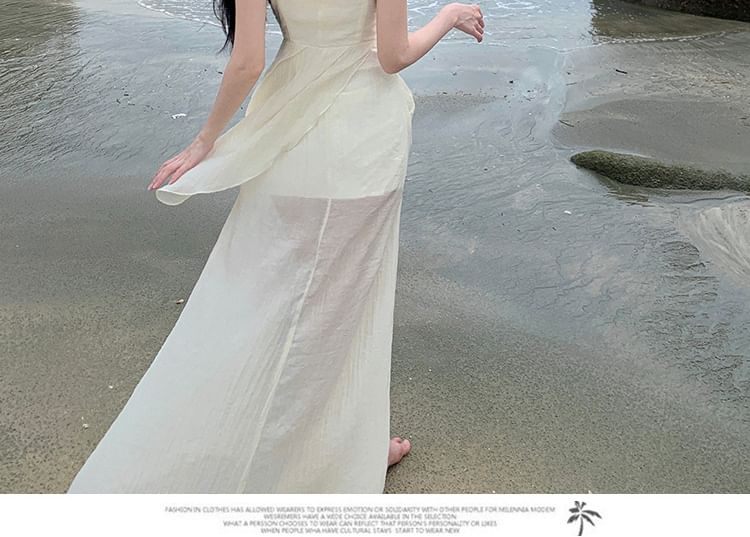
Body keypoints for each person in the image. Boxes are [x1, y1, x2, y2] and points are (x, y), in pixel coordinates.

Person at [67, 0, 483, 494]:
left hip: (289, 133)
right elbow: (393, 56)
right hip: (364, 139)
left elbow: (247, 62)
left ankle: (342, 447)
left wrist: (205, 140)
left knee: (271, 300)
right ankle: (343, 458)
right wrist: (449, 15)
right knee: (344, 311)